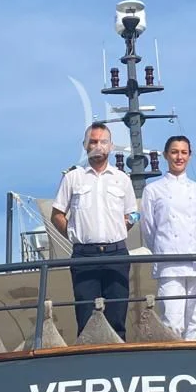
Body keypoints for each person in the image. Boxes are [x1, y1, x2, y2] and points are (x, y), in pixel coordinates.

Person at [51, 122, 137, 339]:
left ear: (111, 146)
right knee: (86, 317)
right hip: (84, 255)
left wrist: (119, 228)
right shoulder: (73, 178)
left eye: (103, 141)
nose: (98, 146)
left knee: (117, 316)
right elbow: (57, 214)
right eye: (93, 141)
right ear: (85, 145)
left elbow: (134, 214)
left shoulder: (122, 179)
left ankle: (117, 364)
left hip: (116, 253)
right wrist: (72, 234)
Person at [140, 135, 196, 340]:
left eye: (183, 152)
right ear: (165, 155)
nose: (179, 157)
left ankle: (195, 367)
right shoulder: (152, 190)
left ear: (189, 155)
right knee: (172, 321)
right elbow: (148, 229)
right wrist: (165, 248)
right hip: (168, 263)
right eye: (174, 152)